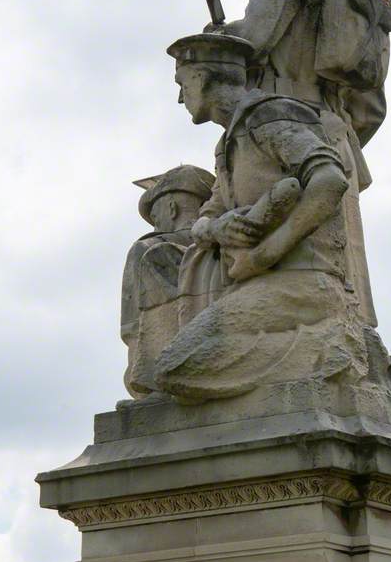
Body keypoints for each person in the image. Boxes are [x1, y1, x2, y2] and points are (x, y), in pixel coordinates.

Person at [153, 33, 369, 403]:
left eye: (182, 83)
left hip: (301, 284)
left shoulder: (270, 116)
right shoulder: (227, 144)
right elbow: (207, 216)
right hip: (257, 288)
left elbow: (329, 181)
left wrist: (266, 253)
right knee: (173, 369)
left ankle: (329, 349)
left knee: (177, 367)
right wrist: (216, 227)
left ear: (203, 77)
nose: (179, 96)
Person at [220, 0, 391, 328]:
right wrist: (336, 126)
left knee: (296, 261)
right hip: (337, 130)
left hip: (281, 125)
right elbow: (372, 107)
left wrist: (217, 35)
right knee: (344, 258)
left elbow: (253, 39)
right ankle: (354, 342)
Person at [120, 164, 213, 397]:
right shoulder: (222, 244)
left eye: (155, 216)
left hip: (162, 381)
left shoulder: (146, 248)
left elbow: (133, 330)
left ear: (171, 209)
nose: (155, 224)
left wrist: (142, 391)